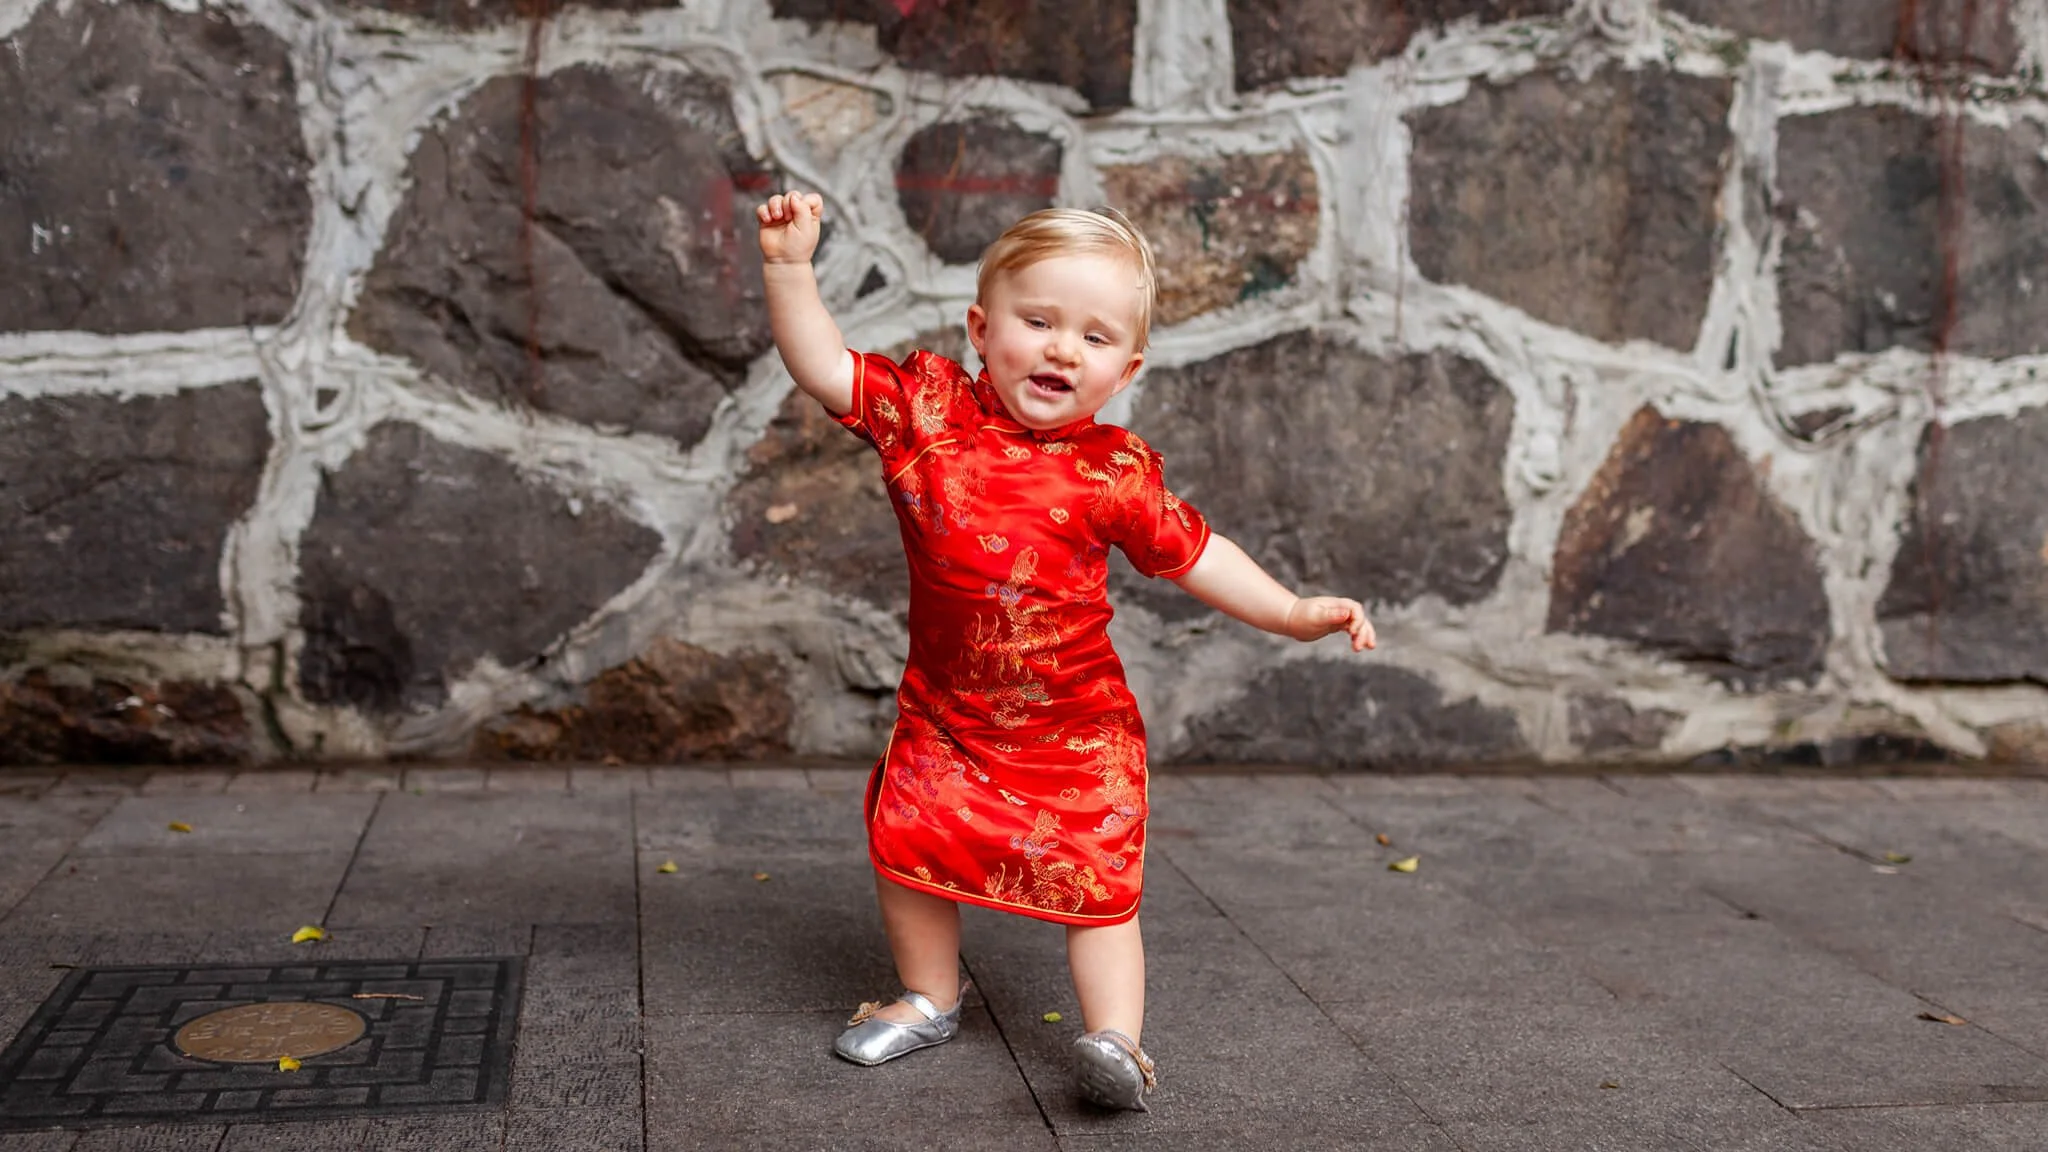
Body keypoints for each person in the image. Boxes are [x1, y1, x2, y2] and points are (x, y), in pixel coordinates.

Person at [755, 190, 1375, 1112]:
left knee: (1100, 881)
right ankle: (929, 995)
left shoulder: (1113, 472)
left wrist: (1289, 611)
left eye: (1092, 338)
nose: (1059, 349)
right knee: (908, 840)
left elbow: (1197, 552)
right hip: (949, 714)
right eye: (1037, 321)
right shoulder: (928, 416)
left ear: (1125, 368)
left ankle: (1116, 1042)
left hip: (1074, 726)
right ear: (980, 326)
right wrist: (787, 268)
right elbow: (822, 367)